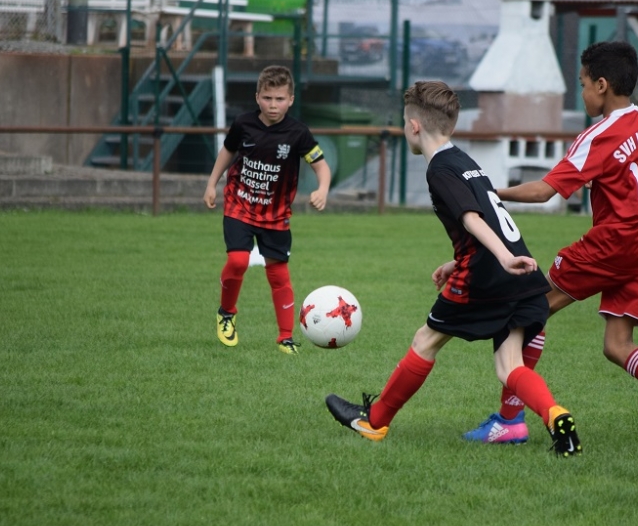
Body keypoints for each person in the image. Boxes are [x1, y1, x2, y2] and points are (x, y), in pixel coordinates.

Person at [463, 40, 638, 452]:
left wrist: (489, 193)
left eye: (582, 84)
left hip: (613, 243)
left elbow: (545, 191)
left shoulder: (599, 134)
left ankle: (510, 421)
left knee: (528, 309)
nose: (581, 94)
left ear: (601, 85)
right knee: (617, 345)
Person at [325, 81, 581, 456]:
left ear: (414, 126)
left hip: (489, 275)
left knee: (425, 341)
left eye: (404, 122)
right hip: (520, 275)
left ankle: (374, 422)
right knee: (509, 366)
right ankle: (556, 416)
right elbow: (490, 219)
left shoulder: (440, 170)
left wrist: (500, 258)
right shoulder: (465, 161)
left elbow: (473, 218)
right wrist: (460, 261)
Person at [203, 65, 331, 355]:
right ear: (257, 97)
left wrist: (322, 189)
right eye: (268, 98)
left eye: (280, 99)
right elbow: (228, 151)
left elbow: (321, 165)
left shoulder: (298, 133)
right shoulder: (243, 124)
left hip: (276, 215)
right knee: (238, 260)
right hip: (239, 204)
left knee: (278, 273)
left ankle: (285, 337)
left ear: (291, 99)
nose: (273, 105)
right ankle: (226, 313)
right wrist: (212, 183)